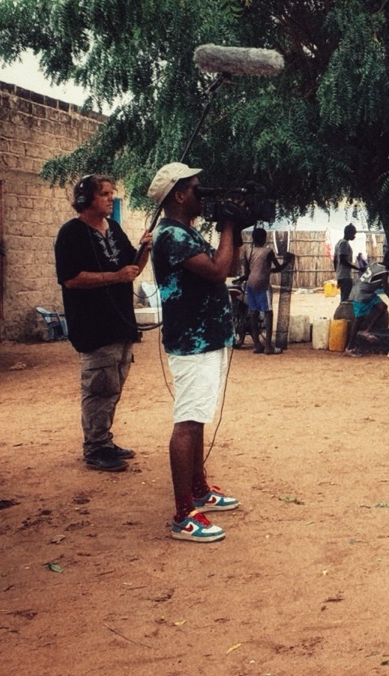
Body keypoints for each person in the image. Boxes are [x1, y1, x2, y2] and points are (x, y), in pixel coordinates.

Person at [147, 162, 240, 544]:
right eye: (196, 187)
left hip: (207, 338)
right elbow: (218, 271)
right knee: (188, 421)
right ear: (179, 195)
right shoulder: (171, 235)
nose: (202, 193)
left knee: (198, 417)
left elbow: (224, 266)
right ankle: (184, 513)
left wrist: (229, 227)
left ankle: (199, 489)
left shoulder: (185, 232)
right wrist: (230, 226)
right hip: (193, 341)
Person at [54, 174, 151, 472]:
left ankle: (104, 440)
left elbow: (131, 270)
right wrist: (114, 276)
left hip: (120, 323)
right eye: (104, 194)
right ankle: (95, 447)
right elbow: (71, 279)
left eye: (112, 193)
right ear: (86, 200)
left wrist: (144, 249)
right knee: (98, 387)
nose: (111, 198)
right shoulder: (71, 233)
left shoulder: (114, 228)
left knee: (114, 385)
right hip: (94, 327)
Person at [240, 226, 285, 354]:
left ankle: (257, 345)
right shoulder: (268, 252)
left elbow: (247, 272)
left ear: (253, 238)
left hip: (250, 285)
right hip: (262, 285)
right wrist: (286, 263)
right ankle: (268, 347)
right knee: (268, 313)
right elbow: (278, 268)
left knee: (253, 314)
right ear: (265, 238)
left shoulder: (248, 251)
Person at [334, 224, 357, 302]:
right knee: (346, 300)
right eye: (354, 233)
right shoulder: (344, 243)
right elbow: (343, 260)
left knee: (344, 298)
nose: (354, 236)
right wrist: (358, 268)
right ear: (348, 233)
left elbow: (335, 261)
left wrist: (337, 274)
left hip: (341, 275)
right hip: (345, 276)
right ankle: (343, 313)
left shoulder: (339, 243)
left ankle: (343, 313)